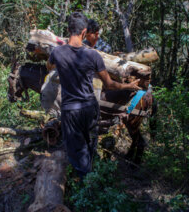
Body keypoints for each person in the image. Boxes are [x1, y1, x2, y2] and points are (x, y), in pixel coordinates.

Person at [47, 12, 140, 178]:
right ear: (84, 32)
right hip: (90, 108)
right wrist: (128, 85)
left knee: (75, 150)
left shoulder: (57, 52)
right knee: (90, 145)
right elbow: (110, 85)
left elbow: (49, 67)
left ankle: (83, 182)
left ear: (68, 29)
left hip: (71, 111)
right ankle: (90, 177)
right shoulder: (93, 55)